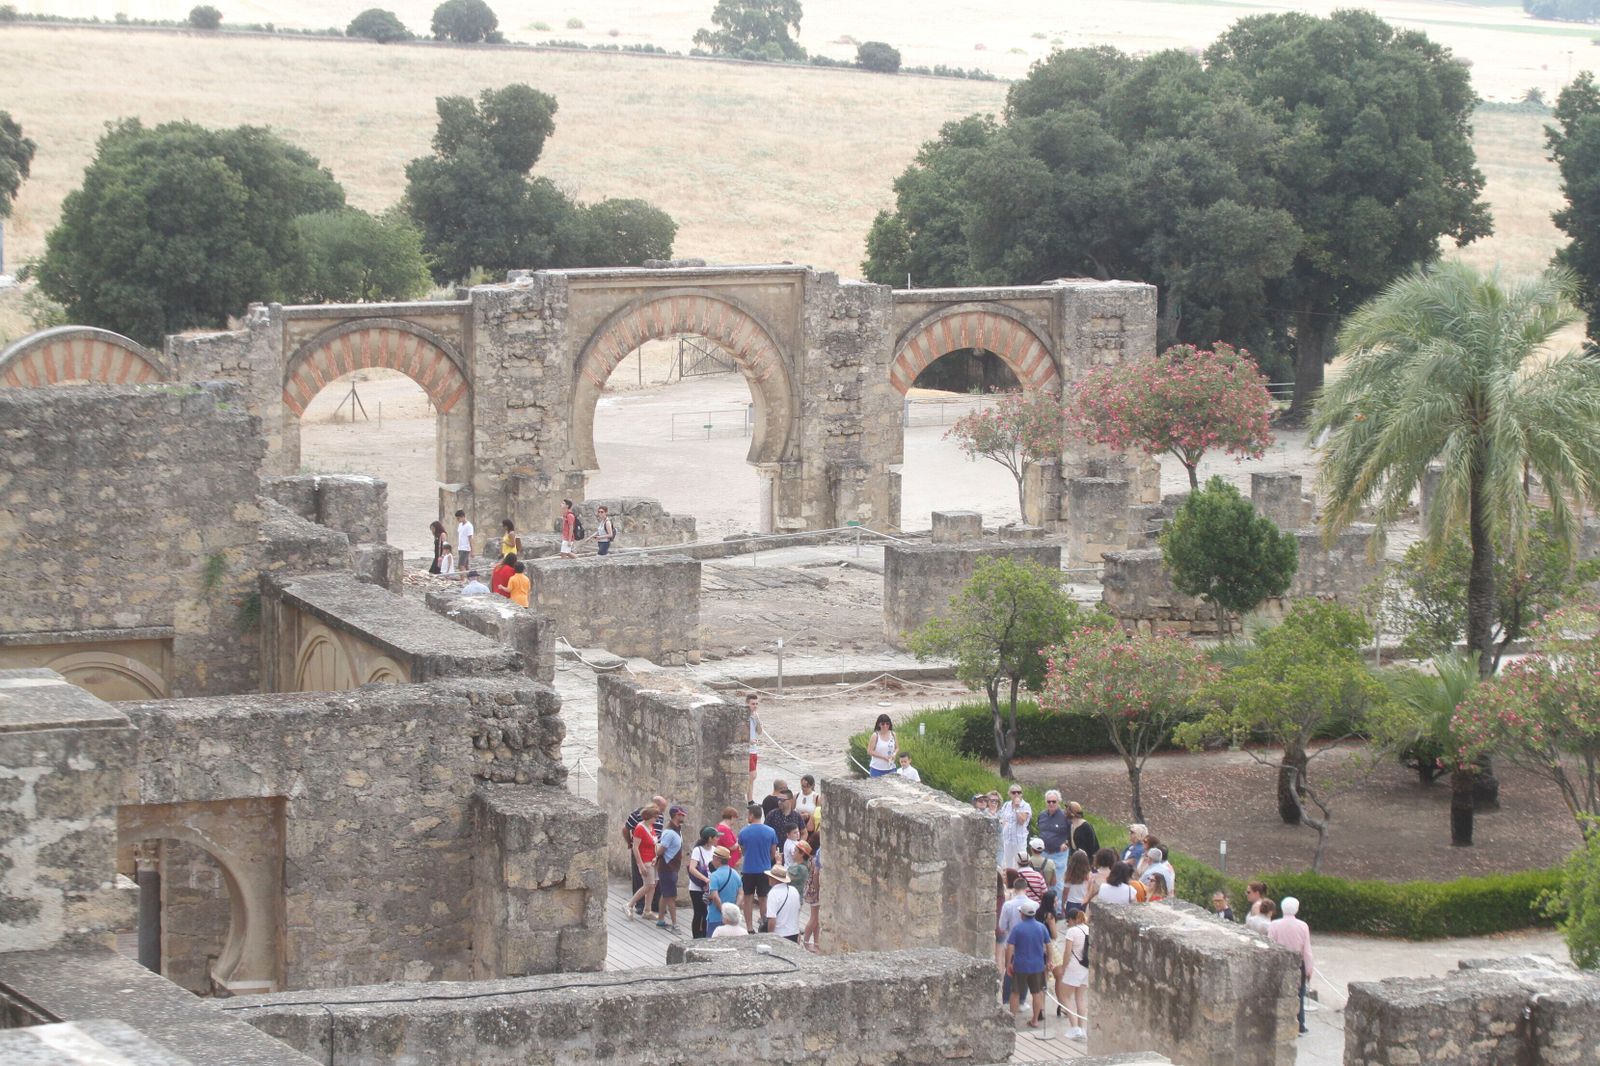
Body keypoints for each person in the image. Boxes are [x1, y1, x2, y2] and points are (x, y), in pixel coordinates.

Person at [1269, 897, 1315, 1035]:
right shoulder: (1303, 926)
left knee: (1277, 993)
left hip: (1279, 963)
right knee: (1299, 994)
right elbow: (1306, 950)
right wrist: (1309, 968)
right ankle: (1300, 1024)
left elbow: (1270, 945)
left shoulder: (1274, 924)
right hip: (1297, 964)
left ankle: (1277, 1022)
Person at [1005, 898, 1051, 1028]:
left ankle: (1012, 1020)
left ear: (1022, 914)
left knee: (1015, 992)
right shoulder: (1041, 927)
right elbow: (1049, 945)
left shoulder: (1017, 928)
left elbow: (1010, 947)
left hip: (1020, 965)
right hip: (1037, 965)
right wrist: (1049, 961)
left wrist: (1008, 963)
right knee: (1036, 993)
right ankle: (1035, 1020)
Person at [737, 803, 779, 932]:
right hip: (765, 870)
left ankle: (749, 928)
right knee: (763, 899)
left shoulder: (743, 832)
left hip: (748, 869)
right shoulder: (771, 831)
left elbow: (743, 851)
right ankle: (764, 925)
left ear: (751, 815)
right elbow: (773, 852)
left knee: (748, 899)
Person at [624, 796, 668, 916]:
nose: (657, 819)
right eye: (655, 817)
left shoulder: (651, 827)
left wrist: (656, 857)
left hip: (652, 859)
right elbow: (635, 847)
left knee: (653, 885)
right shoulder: (640, 828)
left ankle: (647, 910)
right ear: (649, 816)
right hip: (645, 859)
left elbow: (655, 843)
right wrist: (640, 865)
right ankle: (630, 904)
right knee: (648, 885)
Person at [1056, 908, 1090, 1040]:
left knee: (1064, 996)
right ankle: (1082, 1028)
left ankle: (1075, 1028)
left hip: (1074, 967)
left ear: (1072, 920)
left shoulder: (1072, 931)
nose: (1067, 923)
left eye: (1068, 921)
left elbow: (1067, 952)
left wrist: (1064, 967)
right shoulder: (1088, 929)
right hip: (1085, 967)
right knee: (1080, 998)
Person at [654, 806, 685, 930]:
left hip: (672, 868)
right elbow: (660, 851)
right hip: (667, 868)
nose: (683, 816)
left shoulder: (677, 831)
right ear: (675, 816)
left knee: (665, 894)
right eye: (681, 815)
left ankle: (661, 920)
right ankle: (674, 924)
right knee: (671, 896)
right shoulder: (669, 833)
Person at [703, 846, 742, 937]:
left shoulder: (714, 876)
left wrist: (724, 911)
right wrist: (734, 909)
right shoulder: (735, 874)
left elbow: (715, 896)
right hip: (732, 919)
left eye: (713, 857)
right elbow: (741, 893)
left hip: (716, 917)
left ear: (718, 859)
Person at [687, 827, 718, 939]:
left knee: (706, 913)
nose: (717, 839)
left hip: (709, 886)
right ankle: (696, 936)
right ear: (710, 838)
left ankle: (704, 935)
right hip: (697, 887)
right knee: (698, 912)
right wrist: (705, 879)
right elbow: (692, 868)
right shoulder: (698, 850)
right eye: (716, 837)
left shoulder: (714, 850)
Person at [1037, 790, 1072, 884]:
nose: (1051, 804)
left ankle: (1058, 894)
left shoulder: (1065, 816)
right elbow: (1040, 830)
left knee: (1057, 882)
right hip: (1044, 853)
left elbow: (1073, 833)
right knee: (1043, 881)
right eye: (1049, 801)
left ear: (1058, 802)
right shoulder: (1042, 815)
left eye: (1054, 801)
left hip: (1058, 854)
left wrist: (1067, 843)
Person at [997, 785, 1032, 871]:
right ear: (1009, 794)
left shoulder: (1025, 806)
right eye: (1014, 792)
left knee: (1019, 865)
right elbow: (1002, 818)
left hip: (1019, 841)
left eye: (1019, 792)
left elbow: (1022, 821)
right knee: (1006, 865)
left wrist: (1017, 808)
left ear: (1021, 794)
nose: (1016, 794)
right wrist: (1003, 824)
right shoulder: (1006, 805)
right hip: (1007, 841)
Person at [764, 865, 803, 941]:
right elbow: (797, 912)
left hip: (779, 935)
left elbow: (772, 919)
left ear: (774, 879)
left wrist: (769, 937)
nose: (768, 878)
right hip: (794, 933)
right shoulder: (794, 890)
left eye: (770, 877)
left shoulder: (773, 893)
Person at [798, 841, 820, 952]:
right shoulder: (816, 859)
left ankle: (816, 943)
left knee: (817, 919)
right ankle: (806, 942)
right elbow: (816, 874)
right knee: (814, 918)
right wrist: (818, 890)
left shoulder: (811, 859)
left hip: (810, 889)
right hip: (814, 890)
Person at [1061, 849, 1094, 917]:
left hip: (1071, 903)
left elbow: (1065, 893)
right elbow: (1089, 891)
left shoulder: (1069, 874)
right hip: (1084, 903)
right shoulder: (1089, 874)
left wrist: (1063, 904)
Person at [745, 693, 763, 802]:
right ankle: (749, 800)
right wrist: (749, 741)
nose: (755, 706)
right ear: (747, 704)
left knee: (752, 777)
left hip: (754, 749)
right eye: (753, 704)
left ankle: (750, 800)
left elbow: (760, 732)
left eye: (756, 704)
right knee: (752, 775)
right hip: (748, 749)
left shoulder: (755, 715)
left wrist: (758, 720)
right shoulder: (744, 716)